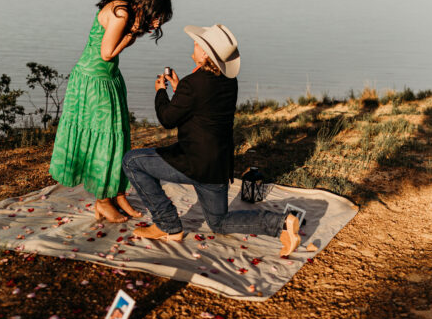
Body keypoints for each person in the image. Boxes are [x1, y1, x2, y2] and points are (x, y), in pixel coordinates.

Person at [122, 24, 302, 255]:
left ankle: (167, 225)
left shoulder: (193, 84)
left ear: (205, 53)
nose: (194, 46)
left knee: (131, 161)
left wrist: (161, 91)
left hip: (192, 162)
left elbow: (167, 119)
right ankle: (282, 224)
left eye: (197, 44)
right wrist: (179, 89)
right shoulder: (228, 81)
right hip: (217, 164)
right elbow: (203, 107)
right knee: (218, 222)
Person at [49, 0, 173, 223]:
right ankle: (103, 201)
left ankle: (117, 193)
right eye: (157, 17)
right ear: (148, 6)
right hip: (94, 80)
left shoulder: (129, 10)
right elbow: (107, 53)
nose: (157, 24)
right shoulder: (121, 13)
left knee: (119, 137)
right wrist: (130, 35)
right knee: (105, 140)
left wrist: (135, 31)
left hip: (109, 77)